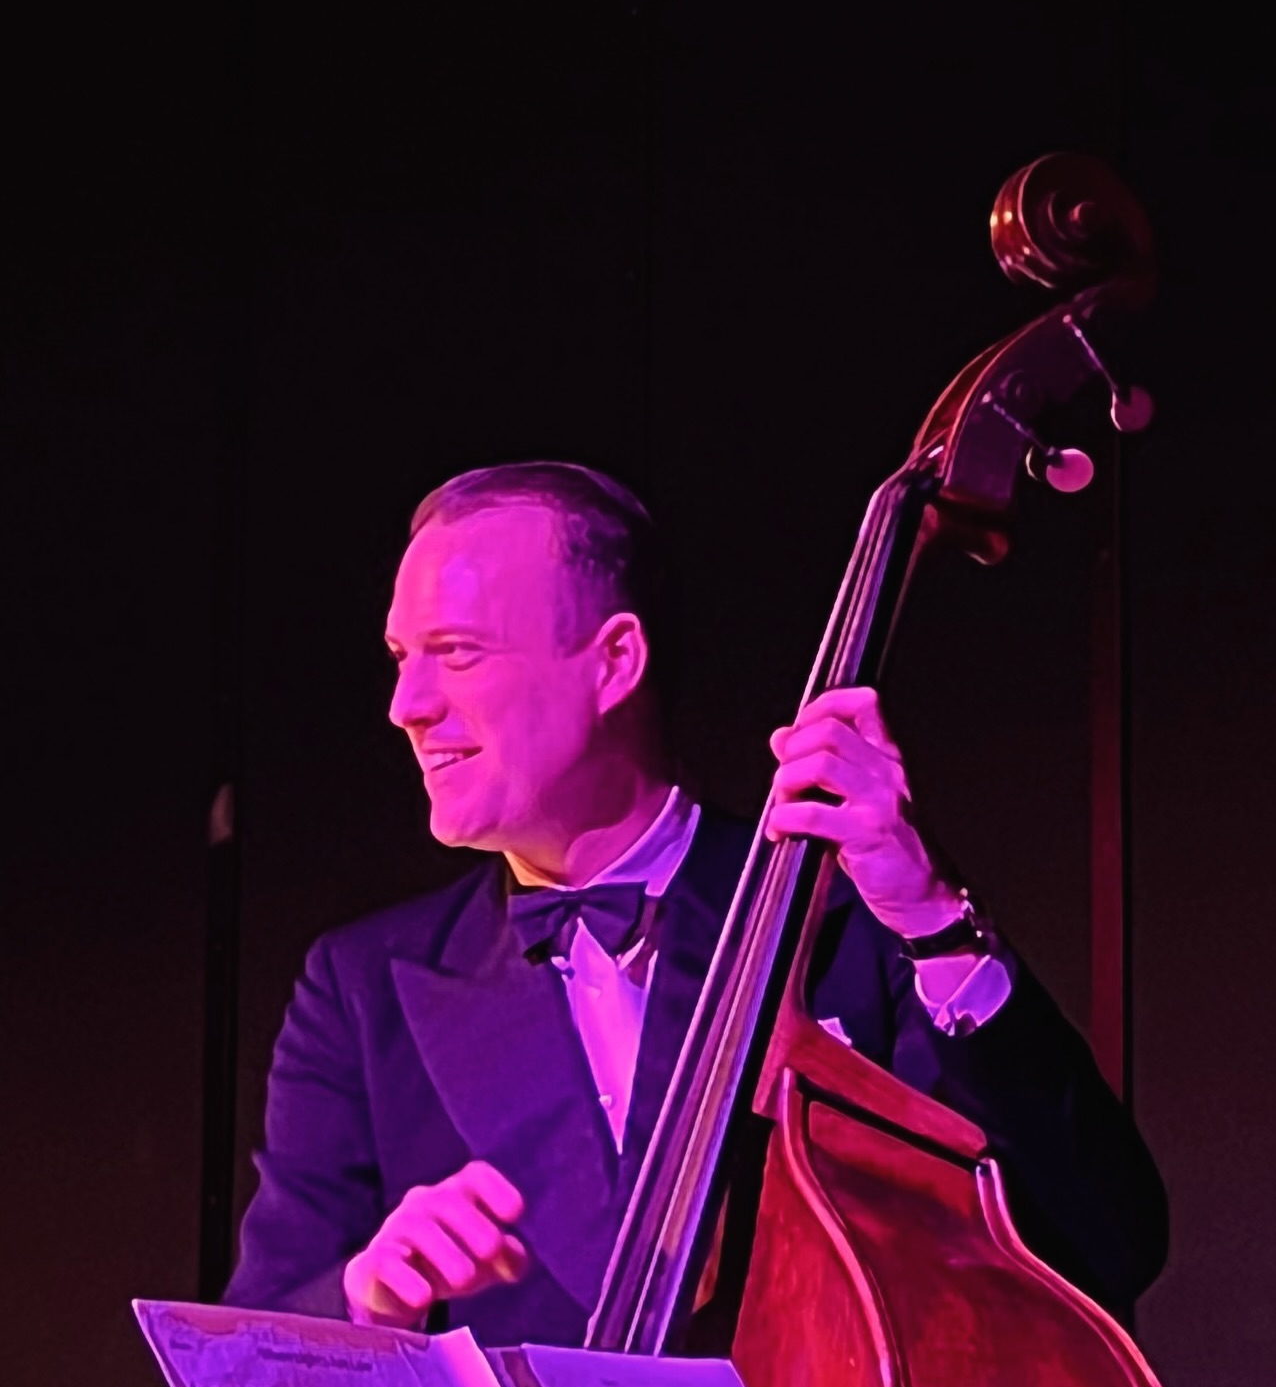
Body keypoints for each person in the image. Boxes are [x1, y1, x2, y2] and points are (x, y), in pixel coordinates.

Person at [227, 460, 1165, 1342]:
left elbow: (1103, 1242)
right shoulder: (361, 989)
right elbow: (252, 1374)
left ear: (614, 662)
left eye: (457, 653)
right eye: (401, 657)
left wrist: (928, 918)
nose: (407, 705)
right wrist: (368, 1296)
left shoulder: (839, 916)